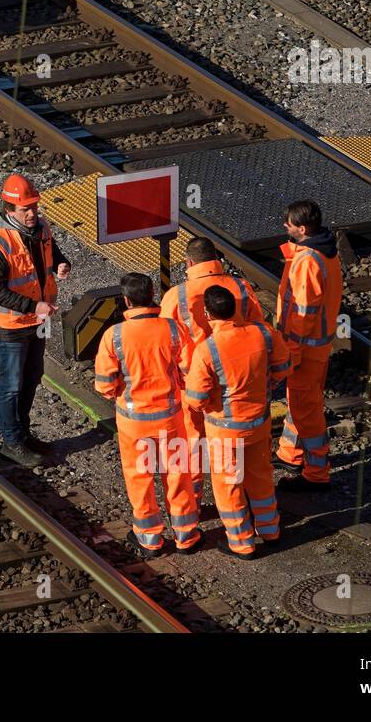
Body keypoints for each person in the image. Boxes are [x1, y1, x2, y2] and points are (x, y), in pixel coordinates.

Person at [94, 273, 200, 558]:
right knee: (177, 474)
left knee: (139, 478)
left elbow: (104, 385)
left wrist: (119, 390)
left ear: (126, 300)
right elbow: (190, 371)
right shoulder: (174, 329)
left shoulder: (113, 335)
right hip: (170, 418)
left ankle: (150, 539)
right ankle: (187, 535)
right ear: (152, 294)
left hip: (134, 423)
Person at [184, 286, 290, 558]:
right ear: (235, 308)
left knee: (229, 485)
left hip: (225, 432)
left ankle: (242, 542)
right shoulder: (263, 332)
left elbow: (195, 399)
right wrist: (267, 387)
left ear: (208, 314)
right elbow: (283, 366)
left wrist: (211, 407)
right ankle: (270, 530)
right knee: (261, 477)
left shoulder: (207, 350)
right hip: (259, 423)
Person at [159, 236, 266, 502]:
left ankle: (194, 495)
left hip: (192, 382)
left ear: (190, 262)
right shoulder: (239, 287)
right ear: (216, 259)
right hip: (236, 380)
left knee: (192, 439)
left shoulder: (176, 295)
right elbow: (258, 329)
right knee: (238, 444)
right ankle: (244, 494)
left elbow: (166, 339)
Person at [0, 174, 71, 467]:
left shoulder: (41, 228)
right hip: (10, 327)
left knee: (32, 378)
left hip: (36, 319)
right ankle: (11, 441)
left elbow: (51, 251)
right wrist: (34, 305)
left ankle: (23, 434)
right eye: (25, 209)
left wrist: (60, 262)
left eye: (34, 207)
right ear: (10, 210)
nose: (32, 214)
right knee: (11, 385)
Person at [273, 200, 343, 492]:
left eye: (288, 224)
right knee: (301, 403)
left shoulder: (308, 262)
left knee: (307, 410)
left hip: (304, 348)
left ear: (302, 228)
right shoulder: (324, 252)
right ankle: (290, 454)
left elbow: (303, 312)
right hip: (317, 345)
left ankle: (316, 473)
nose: (284, 226)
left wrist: (292, 353)